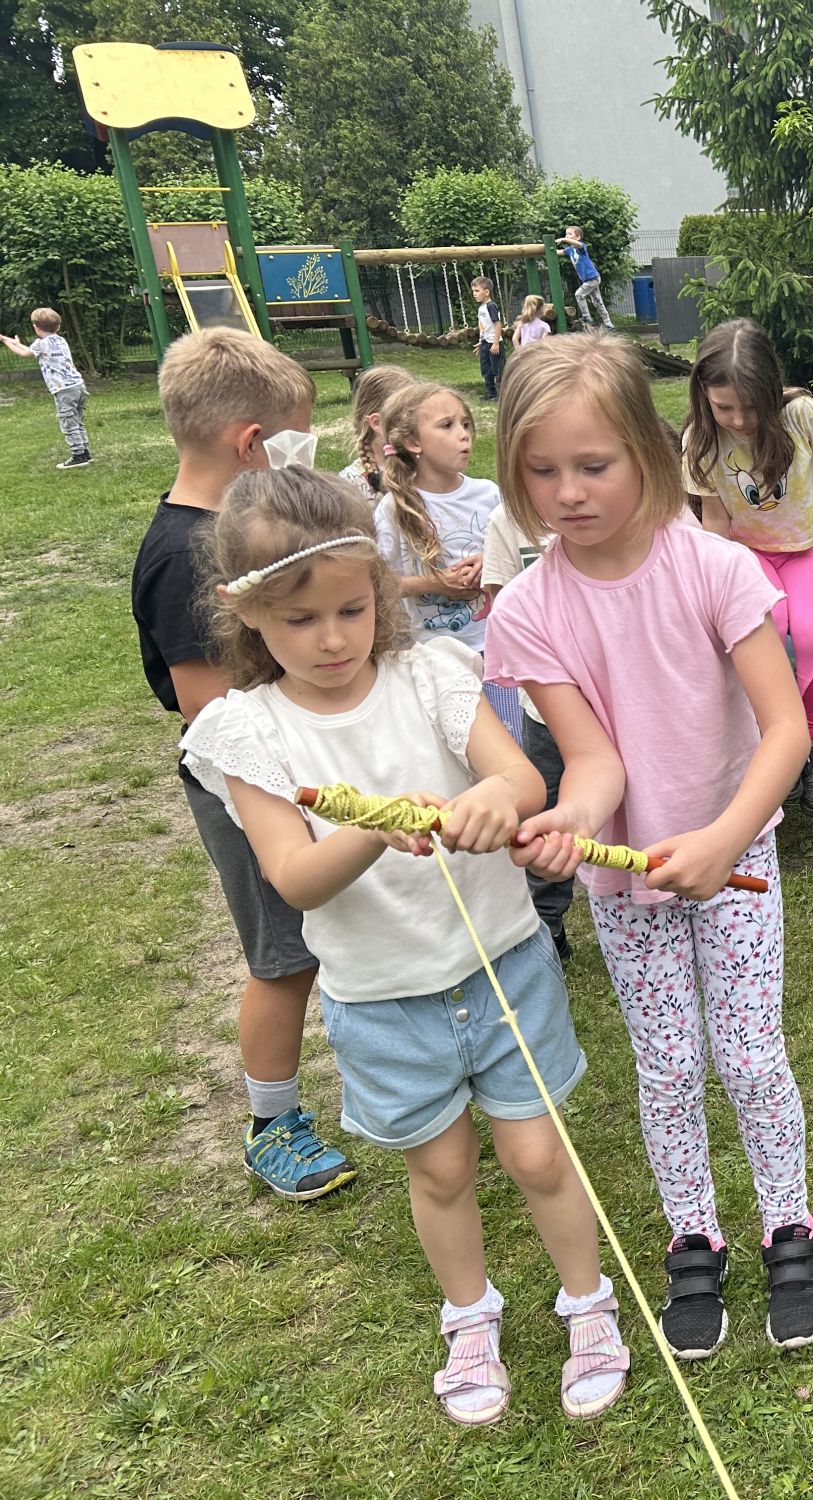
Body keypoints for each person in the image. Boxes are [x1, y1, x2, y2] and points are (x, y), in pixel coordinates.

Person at [183, 467, 626, 1424]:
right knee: (441, 1170)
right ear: (245, 612)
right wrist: (372, 828)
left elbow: (522, 782)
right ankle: (469, 1316)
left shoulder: (430, 675)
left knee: (540, 1156)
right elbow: (294, 878)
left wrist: (490, 799)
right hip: (382, 997)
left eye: (352, 608)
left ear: (380, 589)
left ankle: (589, 1302)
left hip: (501, 965)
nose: (334, 638)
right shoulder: (246, 732)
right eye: (302, 620)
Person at [484, 333, 813, 1361]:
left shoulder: (716, 568)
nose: (568, 492)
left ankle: (789, 1226)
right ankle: (693, 1237)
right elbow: (592, 759)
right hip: (626, 883)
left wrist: (725, 838)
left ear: (644, 449)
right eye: (541, 471)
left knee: (750, 1055)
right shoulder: (529, 608)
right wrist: (573, 821)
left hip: (738, 859)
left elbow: (786, 728)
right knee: (668, 1066)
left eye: (592, 465)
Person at [129, 326, 354, 1202]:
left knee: (323, 940)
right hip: (248, 790)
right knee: (283, 957)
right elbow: (210, 712)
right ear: (253, 444)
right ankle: (273, 1125)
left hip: (299, 775)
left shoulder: (234, 534)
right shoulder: (186, 555)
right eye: (298, 437)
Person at [681, 318, 813, 815]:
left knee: (811, 634)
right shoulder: (700, 438)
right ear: (703, 394)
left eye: (750, 406)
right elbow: (715, 520)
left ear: (769, 389)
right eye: (724, 408)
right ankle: (774, 742)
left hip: (803, 548)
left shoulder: (799, 413)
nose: (738, 420)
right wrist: (716, 577)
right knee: (768, 631)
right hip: (747, 556)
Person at [481, 500, 574, 961]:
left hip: (619, 707)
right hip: (543, 709)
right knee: (547, 814)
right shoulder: (506, 520)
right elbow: (502, 604)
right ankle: (547, 924)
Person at [372, 381, 498, 655]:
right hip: (434, 653)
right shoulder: (395, 507)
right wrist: (434, 583)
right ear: (413, 442)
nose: (464, 435)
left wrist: (490, 561)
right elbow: (380, 583)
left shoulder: (488, 494)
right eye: (447, 425)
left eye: (466, 424)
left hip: (497, 641)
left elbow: (523, 552)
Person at [2, 307, 91, 468]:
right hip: (78, 386)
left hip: (63, 390)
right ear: (58, 326)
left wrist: (7, 342)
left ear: (36, 327)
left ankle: (78, 456)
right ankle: (84, 452)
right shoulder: (60, 340)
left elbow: (25, 354)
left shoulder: (41, 344)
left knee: (68, 422)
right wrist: (17, 343)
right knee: (76, 421)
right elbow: (31, 350)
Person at [336, 363, 415, 499]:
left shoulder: (420, 466)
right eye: (408, 415)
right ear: (377, 423)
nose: (416, 422)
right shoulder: (350, 484)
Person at [559, 227, 611, 330]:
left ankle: (587, 317)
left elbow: (577, 244)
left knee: (579, 294)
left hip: (593, 278)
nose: (567, 236)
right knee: (597, 302)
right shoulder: (570, 250)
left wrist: (564, 239)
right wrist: (546, 248)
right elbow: (557, 252)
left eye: (570, 234)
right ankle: (609, 324)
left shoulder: (581, 247)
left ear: (578, 237)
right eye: (566, 234)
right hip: (588, 280)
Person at [472, 277, 506, 400]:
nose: (474, 294)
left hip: (494, 343)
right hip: (486, 343)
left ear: (486, 292)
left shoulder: (491, 306)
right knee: (486, 369)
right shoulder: (481, 307)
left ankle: (503, 393)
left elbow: (497, 324)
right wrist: (481, 343)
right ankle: (491, 393)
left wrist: (496, 343)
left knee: (498, 369)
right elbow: (483, 327)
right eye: (473, 291)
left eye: (477, 291)